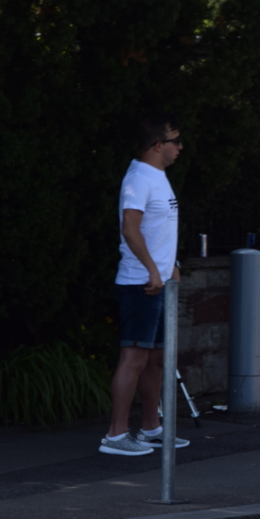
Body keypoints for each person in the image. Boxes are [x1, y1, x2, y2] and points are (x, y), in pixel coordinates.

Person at [101, 113, 191, 456]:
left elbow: (159, 230)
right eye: (175, 141)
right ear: (158, 146)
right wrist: (154, 271)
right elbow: (130, 228)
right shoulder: (140, 177)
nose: (180, 147)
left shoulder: (158, 177)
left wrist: (173, 266)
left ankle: (152, 427)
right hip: (142, 283)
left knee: (155, 359)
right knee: (134, 358)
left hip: (159, 281)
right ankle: (115, 434)